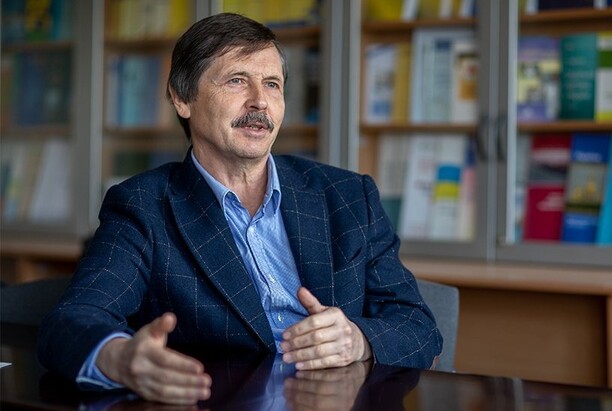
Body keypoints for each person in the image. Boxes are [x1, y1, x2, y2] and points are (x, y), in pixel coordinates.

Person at [37, 12, 442, 405]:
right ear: (182, 98)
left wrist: (358, 340)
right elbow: (72, 320)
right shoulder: (144, 206)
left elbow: (418, 326)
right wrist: (120, 358)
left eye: (272, 84)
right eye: (236, 81)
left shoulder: (348, 196)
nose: (260, 102)